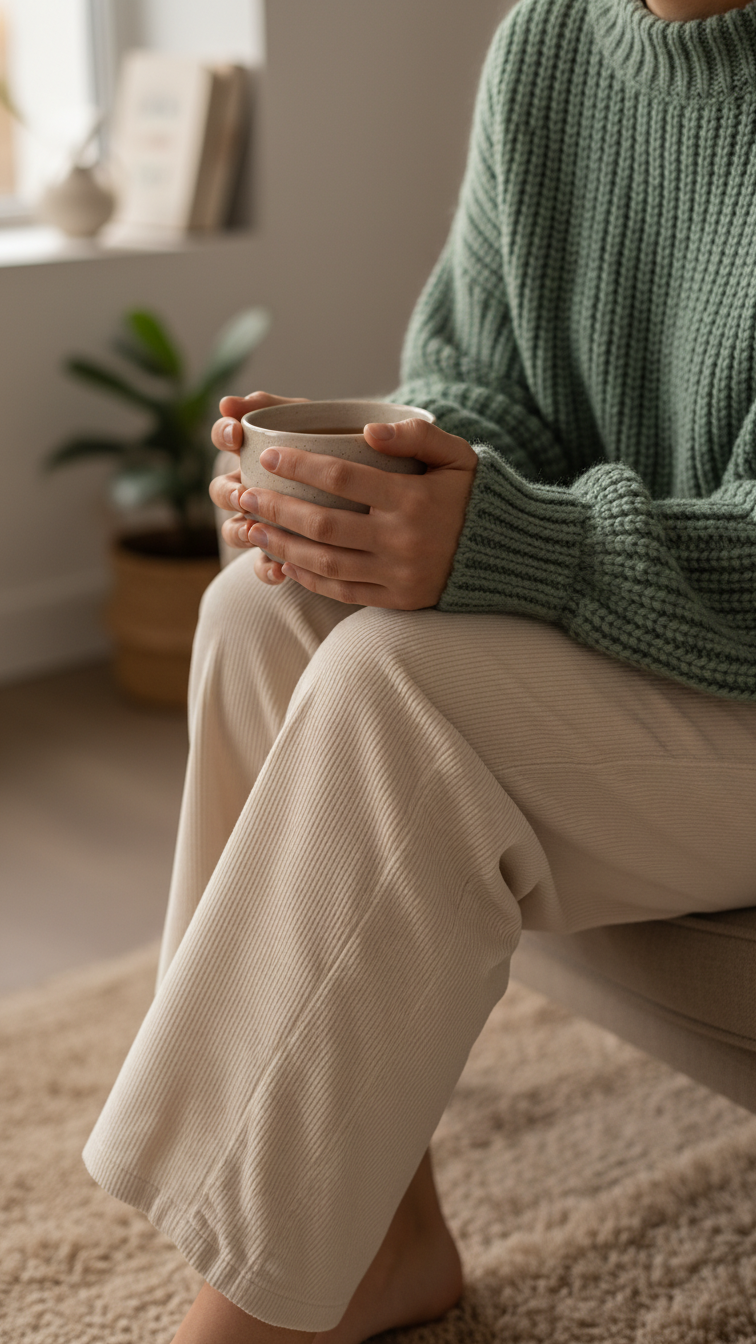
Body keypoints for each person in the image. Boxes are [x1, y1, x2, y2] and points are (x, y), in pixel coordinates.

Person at [83, 0, 756, 1339]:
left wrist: (525, 543)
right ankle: (372, 1234)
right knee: (260, 614)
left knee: (395, 692)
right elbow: (482, 384)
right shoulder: (552, 42)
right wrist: (358, 493)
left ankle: (254, 1301)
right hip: (650, 640)